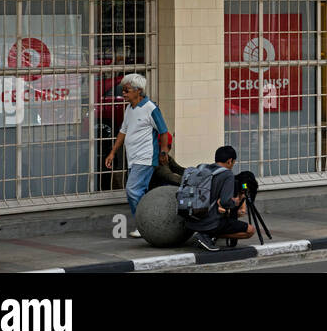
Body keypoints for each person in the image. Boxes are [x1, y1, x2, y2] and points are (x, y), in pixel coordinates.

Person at [104, 73, 171, 237]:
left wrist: (163, 151)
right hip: (132, 157)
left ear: (138, 91)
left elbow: (163, 131)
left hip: (146, 157)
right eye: (123, 90)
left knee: (133, 190)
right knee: (138, 190)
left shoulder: (150, 108)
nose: (123, 94)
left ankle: (144, 224)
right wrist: (112, 152)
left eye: (126, 90)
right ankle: (146, 222)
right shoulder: (129, 108)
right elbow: (123, 131)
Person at [185, 145, 256, 253]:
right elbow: (225, 202)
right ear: (229, 161)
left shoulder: (202, 167)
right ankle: (207, 235)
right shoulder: (227, 175)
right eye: (233, 163)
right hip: (209, 223)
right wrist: (236, 202)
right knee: (250, 230)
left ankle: (205, 235)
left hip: (191, 218)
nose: (232, 165)